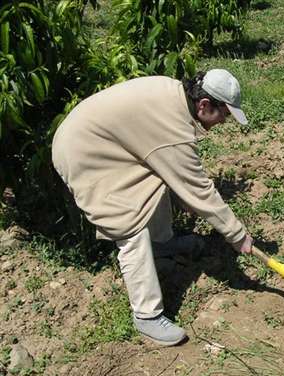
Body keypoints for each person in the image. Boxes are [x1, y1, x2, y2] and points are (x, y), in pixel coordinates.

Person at [52, 69, 254, 346]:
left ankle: (160, 245)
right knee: (126, 220)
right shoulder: (171, 127)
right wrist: (237, 235)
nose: (224, 121)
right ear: (205, 105)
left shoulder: (174, 95)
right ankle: (147, 316)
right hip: (82, 150)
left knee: (157, 177)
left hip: (101, 140)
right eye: (225, 115)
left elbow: (178, 176)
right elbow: (198, 189)